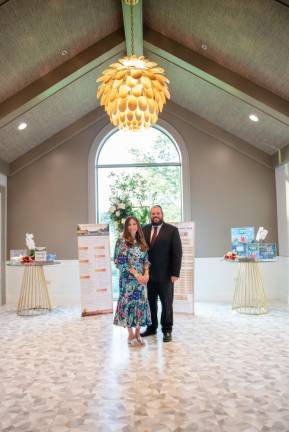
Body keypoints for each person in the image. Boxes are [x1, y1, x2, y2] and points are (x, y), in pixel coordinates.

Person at [141, 205, 182, 342]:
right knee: (151, 303)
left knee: (167, 304)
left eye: (158, 213)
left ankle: (167, 330)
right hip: (149, 276)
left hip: (166, 276)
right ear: (150, 215)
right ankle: (151, 328)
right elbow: (140, 252)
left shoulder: (172, 230)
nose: (155, 215)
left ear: (162, 214)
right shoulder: (144, 229)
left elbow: (177, 253)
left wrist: (175, 273)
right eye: (153, 213)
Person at [113, 216, 151, 347]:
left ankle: (138, 333)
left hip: (141, 281)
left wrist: (146, 274)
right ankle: (130, 334)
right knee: (128, 304)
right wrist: (137, 275)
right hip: (128, 280)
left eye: (134, 224)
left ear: (138, 226)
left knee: (140, 304)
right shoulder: (121, 241)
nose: (132, 227)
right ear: (126, 227)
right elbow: (120, 262)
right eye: (129, 224)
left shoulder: (141, 242)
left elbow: (146, 260)